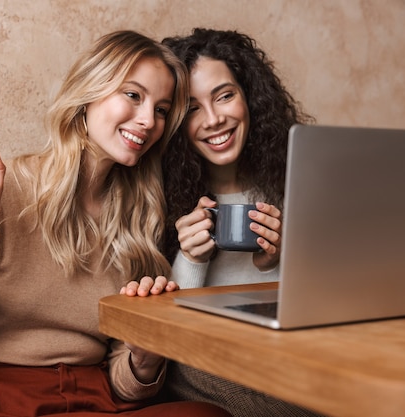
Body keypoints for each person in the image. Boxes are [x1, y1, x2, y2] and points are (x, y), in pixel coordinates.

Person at [0, 30, 231, 417]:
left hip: (97, 399)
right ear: (88, 92)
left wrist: (144, 356)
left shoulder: (138, 215)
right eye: (133, 95)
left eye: (160, 109)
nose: (147, 121)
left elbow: (127, 385)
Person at [157, 28, 322, 416]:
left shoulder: (295, 183)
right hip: (203, 354)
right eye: (193, 108)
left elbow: (319, 300)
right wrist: (192, 257)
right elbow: (168, 331)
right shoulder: (157, 195)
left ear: (249, 97)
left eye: (224, 96)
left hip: (284, 346)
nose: (214, 120)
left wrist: (274, 262)